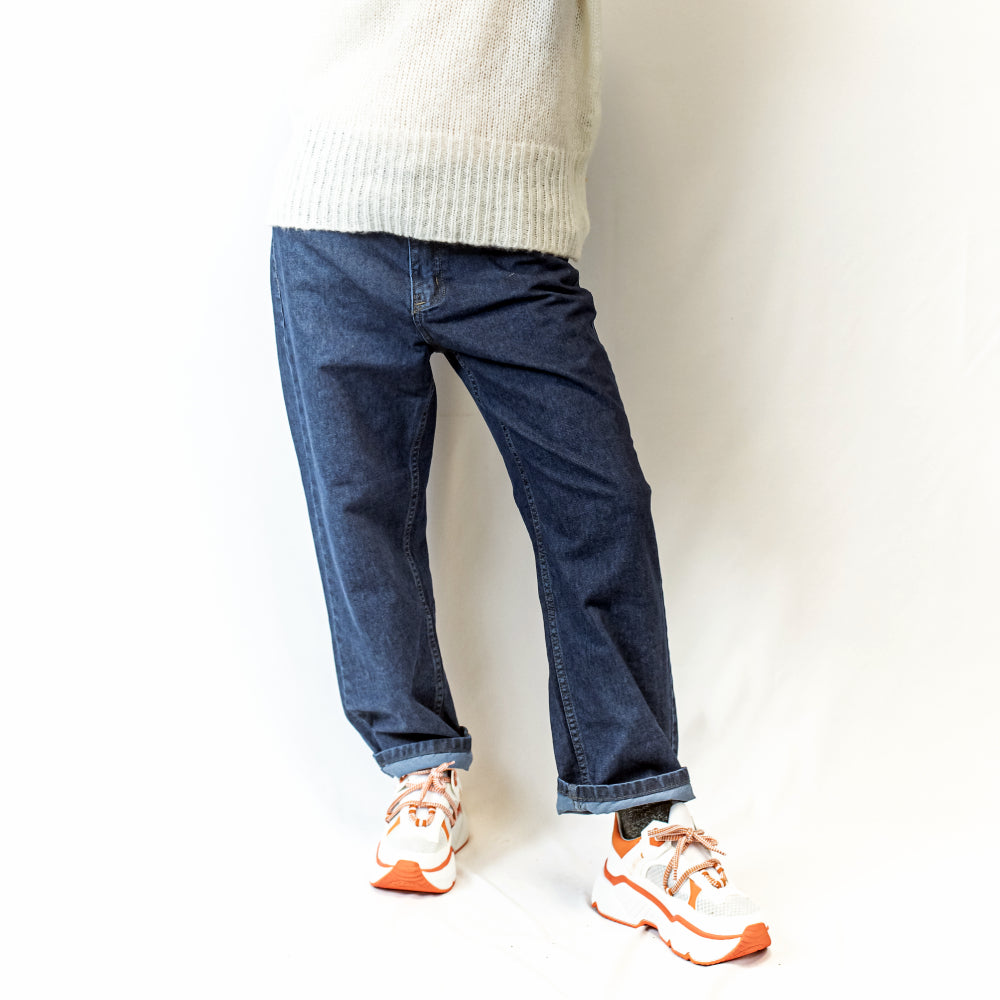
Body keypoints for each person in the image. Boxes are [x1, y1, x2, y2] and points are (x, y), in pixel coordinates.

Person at [267, 1, 769, 965]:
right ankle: (417, 766)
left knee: (600, 509)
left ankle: (641, 825)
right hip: (337, 214)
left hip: (511, 233)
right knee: (361, 510)